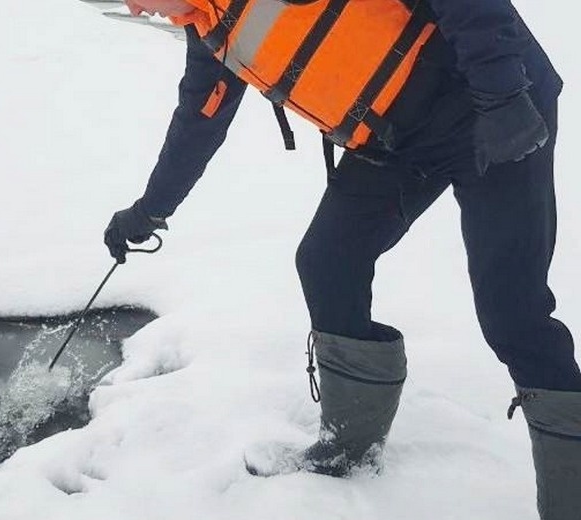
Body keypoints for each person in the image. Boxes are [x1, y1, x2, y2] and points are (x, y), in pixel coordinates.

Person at [103, 1, 581, 518]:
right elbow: (200, 119)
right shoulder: (207, 29)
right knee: (328, 261)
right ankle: (349, 448)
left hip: (490, 100)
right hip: (401, 140)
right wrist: (149, 210)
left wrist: (502, 91)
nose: (134, 6)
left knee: (514, 315)